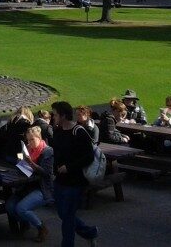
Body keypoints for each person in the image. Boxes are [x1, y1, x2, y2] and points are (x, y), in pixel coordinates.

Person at [50, 101, 99, 247]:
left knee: (68, 217)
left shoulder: (79, 132)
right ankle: (89, 232)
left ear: (63, 115)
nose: (53, 117)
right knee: (62, 213)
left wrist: (69, 167)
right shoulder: (58, 131)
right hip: (60, 180)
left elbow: (89, 157)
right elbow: (57, 154)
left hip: (75, 181)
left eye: (55, 114)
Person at [6, 125, 54, 242]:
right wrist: (20, 158)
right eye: (28, 140)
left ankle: (41, 227)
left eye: (32, 139)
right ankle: (25, 221)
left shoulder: (47, 151)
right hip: (26, 186)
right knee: (10, 206)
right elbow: (19, 165)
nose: (30, 142)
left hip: (41, 188)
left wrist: (31, 163)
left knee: (21, 208)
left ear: (39, 138)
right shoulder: (27, 149)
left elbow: (46, 173)